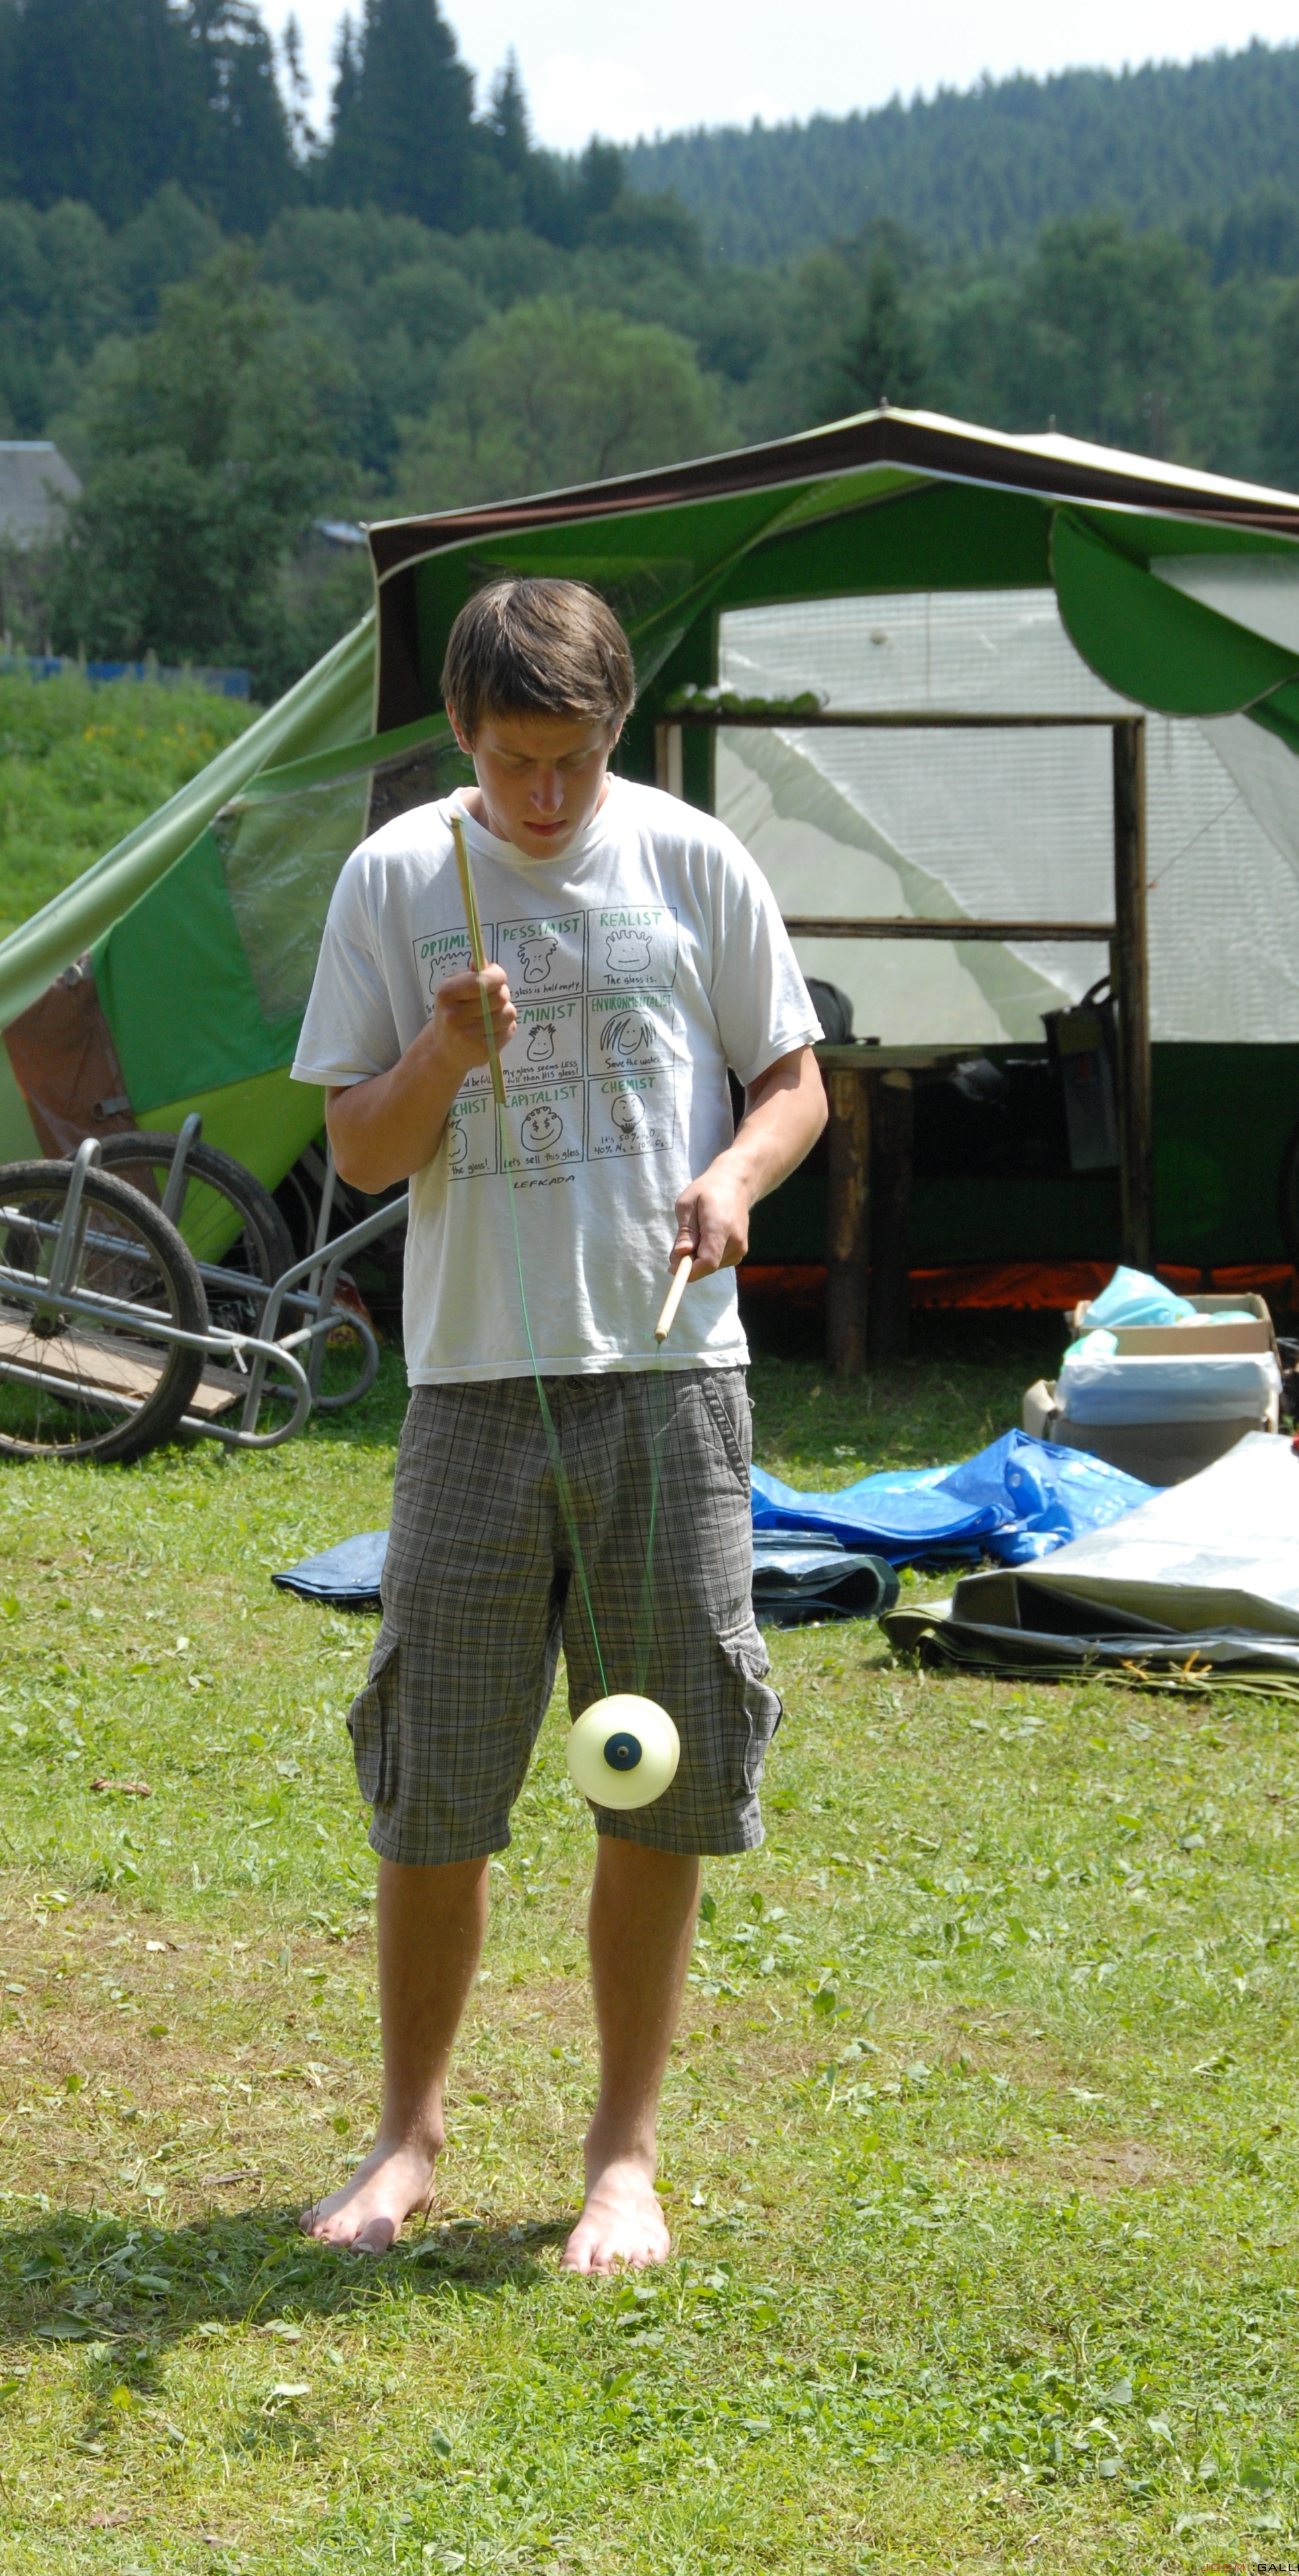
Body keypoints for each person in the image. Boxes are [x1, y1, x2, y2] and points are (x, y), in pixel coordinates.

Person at [290, 577, 828, 2270]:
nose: (543, 796)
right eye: (514, 760)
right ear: (463, 731)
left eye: (575, 761)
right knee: (436, 1780)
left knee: (657, 1774)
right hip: (471, 1388)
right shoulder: (398, 880)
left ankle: (622, 2156)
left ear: (617, 731)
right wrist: (442, 1059)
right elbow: (360, 1154)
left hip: (672, 1383)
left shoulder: (691, 860)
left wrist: (735, 1180)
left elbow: (793, 1080)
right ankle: (407, 2136)